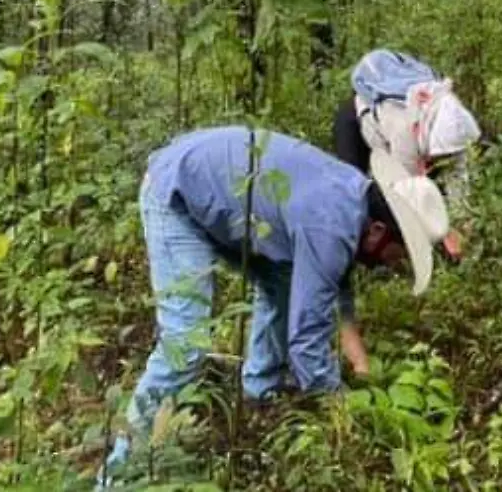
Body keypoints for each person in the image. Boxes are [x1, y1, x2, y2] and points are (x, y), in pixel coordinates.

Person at [101, 125, 448, 483]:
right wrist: (341, 407)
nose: (396, 264)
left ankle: (259, 393)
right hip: (176, 194)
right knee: (185, 343)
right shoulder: (331, 227)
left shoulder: (351, 197)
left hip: (219, 191)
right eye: (400, 253)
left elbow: (333, 280)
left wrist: (354, 352)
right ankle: (117, 473)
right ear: (377, 230)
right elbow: (307, 341)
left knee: (283, 283)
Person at [329, 48, 481, 374]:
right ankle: (360, 267)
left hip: (399, 144)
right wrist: (436, 235)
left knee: (438, 226)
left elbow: (459, 179)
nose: (442, 161)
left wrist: (461, 229)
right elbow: (407, 194)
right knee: (353, 198)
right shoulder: (405, 130)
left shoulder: (452, 121)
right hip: (357, 125)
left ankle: (406, 263)